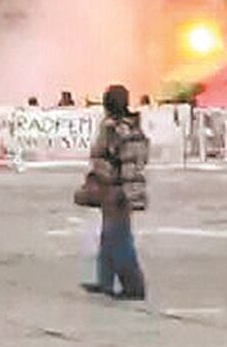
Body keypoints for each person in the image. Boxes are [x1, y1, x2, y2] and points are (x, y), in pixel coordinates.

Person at [80, 84, 147, 300]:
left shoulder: (114, 129)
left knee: (119, 239)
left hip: (115, 189)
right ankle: (105, 280)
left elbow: (110, 160)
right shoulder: (133, 127)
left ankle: (133, 286)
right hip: (125, 187)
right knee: (109, 237)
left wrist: (103, 184)